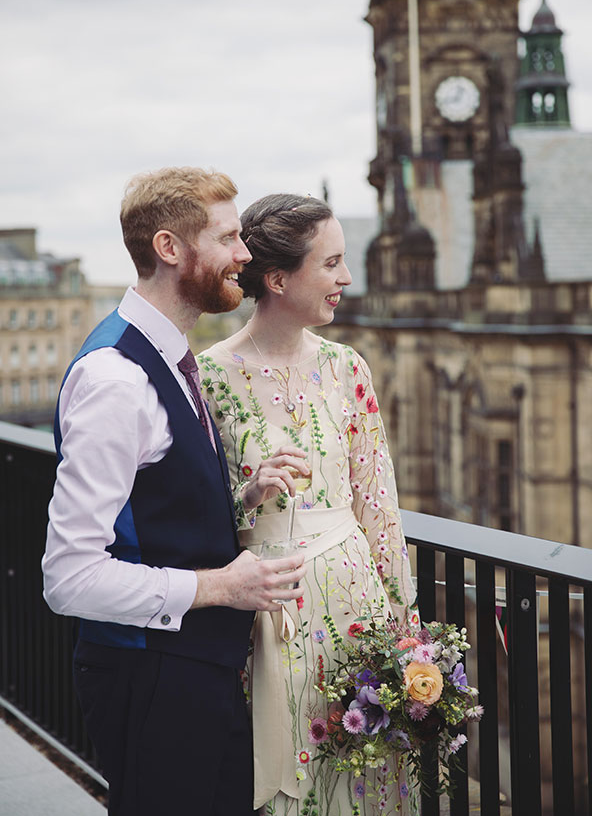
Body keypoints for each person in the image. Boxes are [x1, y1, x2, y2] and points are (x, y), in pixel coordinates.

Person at [41, 168, 307, 816]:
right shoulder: (116, 379)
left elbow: (150, 499)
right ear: (169, 248)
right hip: (152, 679)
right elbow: (69, 577)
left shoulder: (169, 355)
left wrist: (237, 498)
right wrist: (222, 587)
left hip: (192, 674)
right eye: (227, 237)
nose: (244, 254)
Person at [199, 193, 420, 816]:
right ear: (277, 279)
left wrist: (405, 632)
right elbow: (192, 511)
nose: (346, 279)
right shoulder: (208, 377)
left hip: (356, 604)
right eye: (331, 264)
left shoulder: (347, 368)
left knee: (366, 768)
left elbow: (379, 504)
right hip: (263, 610)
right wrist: (248, 494)